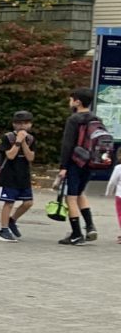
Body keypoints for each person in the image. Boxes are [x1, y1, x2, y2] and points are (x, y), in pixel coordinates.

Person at [59, 87, 99, 245]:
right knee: (80, 193)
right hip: (90, 162)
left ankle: (76, 234)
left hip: (75, 162)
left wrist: (64, 166)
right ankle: (90, 226)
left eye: (71, 99)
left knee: (71, 198)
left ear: (77, 102)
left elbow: (67, 144)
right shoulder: (96, 119)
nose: (70, 102)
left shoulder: (74, 119)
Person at [0, 110, 37, 243]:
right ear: (14, 124)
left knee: (28, 202)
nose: (22, 126)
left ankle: (12, 220)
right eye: (19, 123)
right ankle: (3, 230)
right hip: (9, 174)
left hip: (23, 174)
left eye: (26, 123)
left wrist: (24, 142)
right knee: (9, 202)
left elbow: (30, 157)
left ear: (30, 125)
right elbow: (10, 155)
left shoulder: (31, 139)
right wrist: (18, 141)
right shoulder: (8, 138)